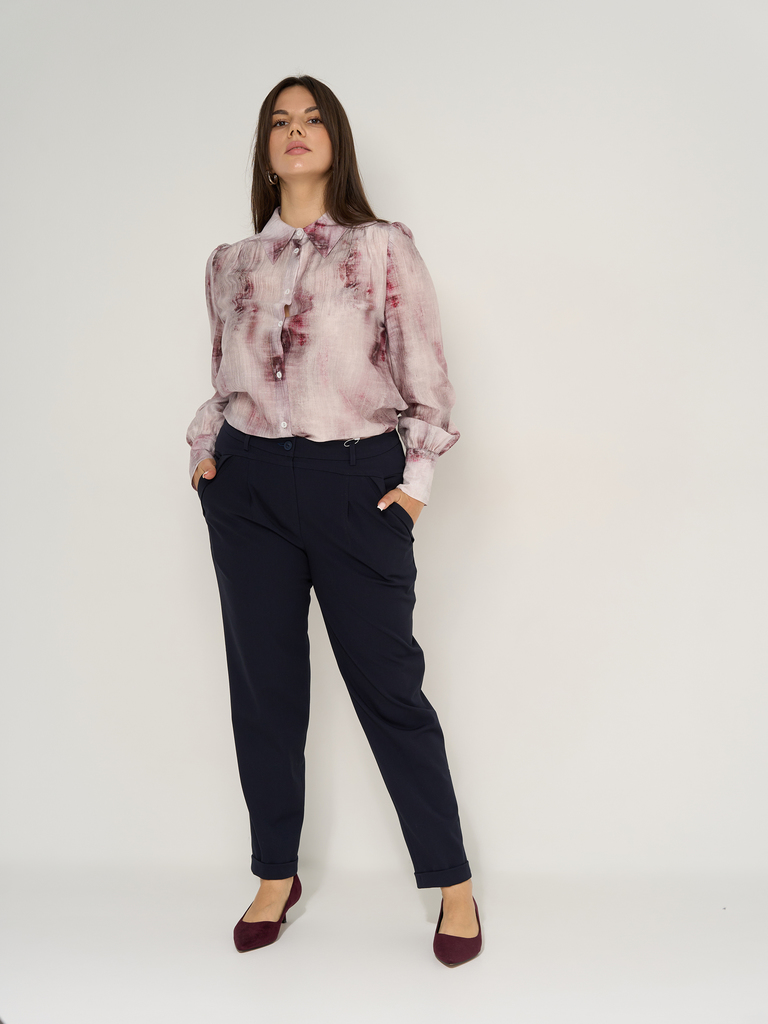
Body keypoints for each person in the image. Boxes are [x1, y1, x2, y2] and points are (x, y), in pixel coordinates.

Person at [186, 75, 481, 967]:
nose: (296, 130)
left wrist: (415, 482)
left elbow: (425, 377)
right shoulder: (230, 262)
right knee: (265, 695)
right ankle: (276, 873)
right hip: (248, 490)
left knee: (391, 692)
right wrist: (206, 456)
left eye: (312, 118)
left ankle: (451, 882)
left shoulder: (380, 247)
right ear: (265, 149)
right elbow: (224, 377)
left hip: (356, 484)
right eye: (280, 121)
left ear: (335, 140)